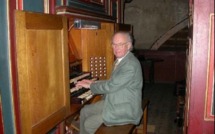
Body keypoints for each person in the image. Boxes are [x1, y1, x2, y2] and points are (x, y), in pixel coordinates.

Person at [76, 31, 143, 134]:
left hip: (126, 108)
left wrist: (91, 85)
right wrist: (92, 82)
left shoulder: (130, 65)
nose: (116, 48)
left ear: (129, 45)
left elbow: (111, 86)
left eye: (120, 44)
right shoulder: (120, 60)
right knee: (84, 111)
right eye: (114, 44)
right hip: (116, 100)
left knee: (89, 124)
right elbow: (114, 82)